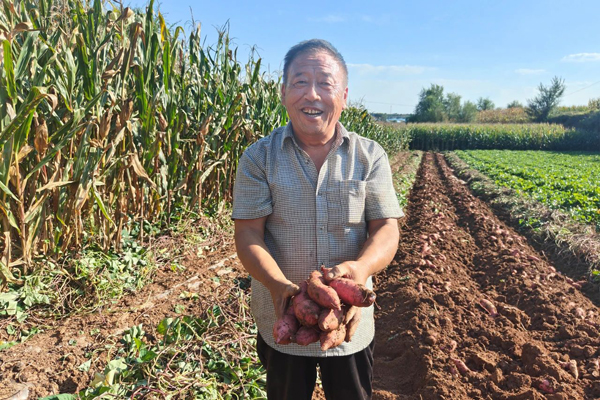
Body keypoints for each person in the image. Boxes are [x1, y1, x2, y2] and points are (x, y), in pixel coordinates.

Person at [232, 39, 402, 400]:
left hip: (349, 318)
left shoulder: (369, 156)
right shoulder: (258, 158)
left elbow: (386, 228)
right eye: (299, 82)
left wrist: (359, 270)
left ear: (343, 95)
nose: (311, 95)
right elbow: (248, 234)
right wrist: (279, 285)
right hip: (282, 320)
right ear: (282, 93)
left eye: (324, 83)